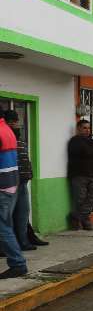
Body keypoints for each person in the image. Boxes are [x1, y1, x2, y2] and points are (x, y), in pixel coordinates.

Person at [3, 110, 45, 251]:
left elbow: (25, 159)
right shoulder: (6, 136)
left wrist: (29, 174)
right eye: (12, 121)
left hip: (22, 181)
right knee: (7, 216)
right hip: (9, 182)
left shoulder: (19, 138)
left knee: (23, 214)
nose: (15, 123)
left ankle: (23, 242)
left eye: (16, 120)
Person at [0, 110, 27, 279]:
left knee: (3, 227)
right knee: (5, 225)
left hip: (3, 186)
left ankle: (18, 263)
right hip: (11, 185)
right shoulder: (7, 130)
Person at [67, 120, 93, 231]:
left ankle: (75, 216)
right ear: (78, 129)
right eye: (84, 128)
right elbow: (86, 152)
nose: (87, 130)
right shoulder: (74, 141)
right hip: (78, 175)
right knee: (80, 199)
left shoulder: (92, 142)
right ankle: (85, 221)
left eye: (88, 128)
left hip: (92, 175)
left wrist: (92, 152)